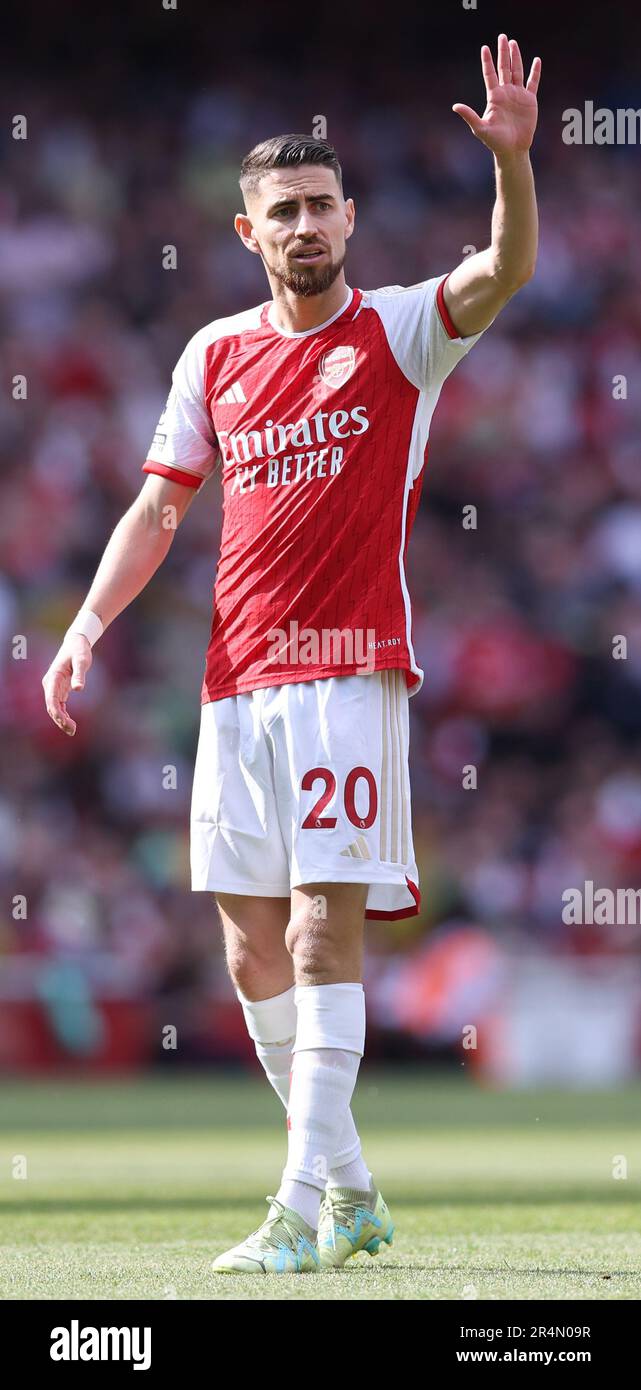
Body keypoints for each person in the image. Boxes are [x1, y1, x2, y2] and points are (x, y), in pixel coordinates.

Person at [42, 34, 541, 1274]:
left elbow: (504, 268)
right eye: (284, 210)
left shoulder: (400, 330)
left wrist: (514, 168)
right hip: (235, 685)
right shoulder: (212, 353)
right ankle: (356, 1188)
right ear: (247, 230)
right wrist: (90, 624)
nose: (306, 223)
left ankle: (292, 1208)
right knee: (247, 948)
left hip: (347, 672)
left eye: (323, 204)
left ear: (350, 218)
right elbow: (159, 506)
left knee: (325, 934)